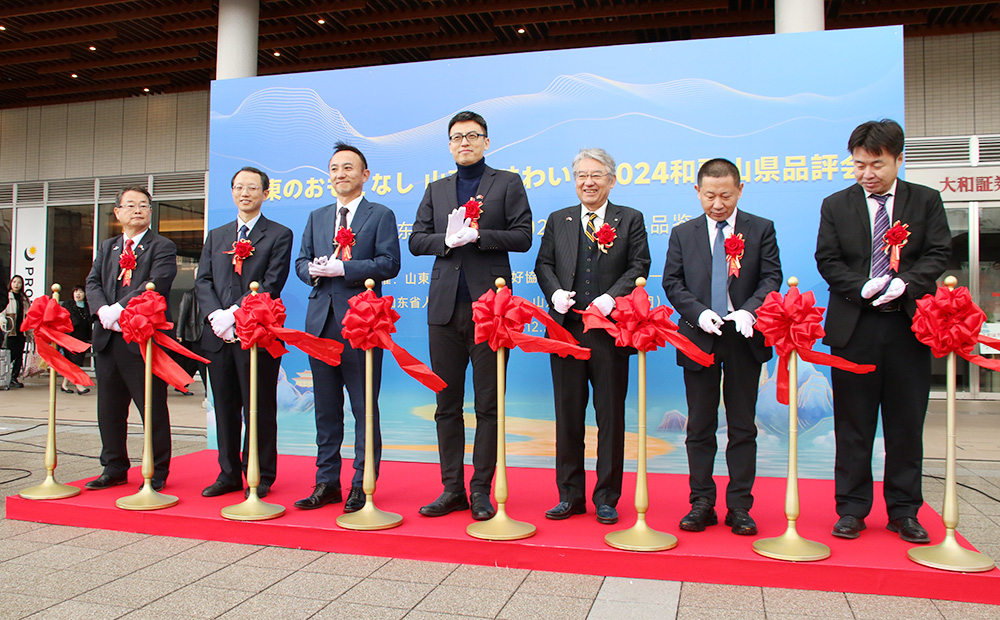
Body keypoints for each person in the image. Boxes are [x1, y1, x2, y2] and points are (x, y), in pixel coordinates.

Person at [816, 119, 951, 543]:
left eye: (876, 164)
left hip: (908, 328)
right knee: (852, 424)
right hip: (855, 329)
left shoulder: (925, 201)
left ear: (898, 159)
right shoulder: (836, 204)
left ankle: (904, 510)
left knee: (906, 424)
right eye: (858, 165)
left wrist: (905, 282)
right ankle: (852, 509)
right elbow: (827, 258)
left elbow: (939, 251)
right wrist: (861, 285)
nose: (866, 173)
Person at [408, 110, 532, 520]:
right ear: (448, 145)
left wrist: (480, 235)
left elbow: (524, 235)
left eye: (473, 136)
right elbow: (415, 241)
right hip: (444, 309)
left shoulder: (507, 182)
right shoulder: (437, 188)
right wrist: (445, 240)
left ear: (486, 142)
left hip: (491, 311)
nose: (465, 143)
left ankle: (481, 489)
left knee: (487, 405)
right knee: (446, 403)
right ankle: (452, 489)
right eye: (457, 137)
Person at [662, 158, 782, 536]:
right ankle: (701, 502)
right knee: (699, 424)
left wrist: (748, 311)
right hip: (700, 336)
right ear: (697, 192)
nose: (718, 203)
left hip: (744, 337)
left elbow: (771, 276)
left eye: (726, 195)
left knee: (743, 425)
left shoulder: (760, 229)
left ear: (740, 191)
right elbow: (673, 281)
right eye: (710, 195)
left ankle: (740, 507)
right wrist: (698, 314)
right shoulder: (683, 233)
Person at [534, 148, 650, 525]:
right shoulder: (559, 219)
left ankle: (606, 497)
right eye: (582, 175)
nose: (588, 182)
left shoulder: (629, 219)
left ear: (611, 180)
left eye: (596, 175)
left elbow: (639, 265)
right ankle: (569, 496)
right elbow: (544, 263)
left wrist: (609, 298)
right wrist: (554, 294)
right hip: (565, 332)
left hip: (609, 333)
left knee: (610, 416)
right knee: (567, 415)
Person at [294, 142, 401, 513]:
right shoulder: (317, 216)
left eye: (348, 168)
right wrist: (311, 269)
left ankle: (361, 483)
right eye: (335, 168)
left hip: (361, 324)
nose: (341, 174)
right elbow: (300, 261)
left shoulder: (380, 214)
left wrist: (345, 269)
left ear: (365, 175)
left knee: (363, 408)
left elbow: (389, 263)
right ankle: (327, 482)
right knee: (325, 409)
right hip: (320, 325)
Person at [197, 166, 293, 500]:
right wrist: (216, 316)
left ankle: (262, 473)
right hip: (217, 336)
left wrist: (234, 313)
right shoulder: (218, 235)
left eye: (252, 188)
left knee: (259, 406)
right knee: (224, 406)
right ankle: (228, 473)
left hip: (259, 335)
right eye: (239, 187)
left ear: (266, 193)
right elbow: (203, 281)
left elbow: (271, 283)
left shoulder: (279, 234)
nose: (245, 193)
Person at [85, 185, 177, 490]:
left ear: (150, 212)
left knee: (151, 406)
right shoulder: (107, 247)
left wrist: (119, 310)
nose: (137, 210)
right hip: (107, 339)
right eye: (131, 205)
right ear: (118, 212)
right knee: (109, 408)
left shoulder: (161, 246)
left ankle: (157, 469)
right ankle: (114, 466)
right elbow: (93, 282)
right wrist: (102, 312)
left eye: (143, 205)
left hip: (142, 342)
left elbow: (157, 283)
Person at [174, 283, 207, 397]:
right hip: (195, 333)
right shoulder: (189, 295)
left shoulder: (210, 293)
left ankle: (181, 384)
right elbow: (182, 315)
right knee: (201, 361)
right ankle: (208, 389)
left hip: (207, 334)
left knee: (195, 362)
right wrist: (179, 333)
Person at [60, 285, 92, 395]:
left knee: (74, 363)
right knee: (74, 362)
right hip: (69, 337)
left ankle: (64, 385)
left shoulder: (88, 306)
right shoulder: (67, 305)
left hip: (82, 338)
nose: (78, 294)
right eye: (76, 292)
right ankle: (79, 385)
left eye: (80, 292)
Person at [4, 275, 30, 389]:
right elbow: (2, 311)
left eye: (19, 282)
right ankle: (5, 376)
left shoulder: (23, 298)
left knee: (19, 354)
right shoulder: (7, 296)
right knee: (9, 354)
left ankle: (14, 377)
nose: (16, 284)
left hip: (21, 330)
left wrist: (31, 332)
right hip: (10, 329)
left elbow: (29, 315)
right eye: (14, 282)